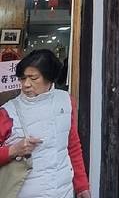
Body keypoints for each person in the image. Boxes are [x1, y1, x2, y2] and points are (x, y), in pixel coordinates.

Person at [0, 49, 90, 198]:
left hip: (64, 191)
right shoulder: (8, 112)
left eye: (33, 78)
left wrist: (81, 186)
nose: (26, 84)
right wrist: (13, 150)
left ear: (50, 78)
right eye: (22, 78)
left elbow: (72, 146)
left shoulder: (65, 101)